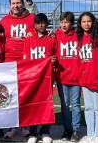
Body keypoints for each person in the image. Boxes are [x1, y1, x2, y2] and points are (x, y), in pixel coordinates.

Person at [0, 0, 34, 138]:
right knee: (10, 96)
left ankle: (26, 125)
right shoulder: (3, 21)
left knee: (25, 96)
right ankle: (11, 126)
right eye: (13, 3)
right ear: (9, 5)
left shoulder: (32, 19)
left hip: (26, 63)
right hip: (8, 64)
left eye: (18, 3)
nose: (16, 6)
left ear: (23, 4)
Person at [23, 13, 56, 143]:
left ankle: (45, 131)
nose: (41, 25)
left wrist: (54, 59)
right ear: (34, 25)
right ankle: (33, 132)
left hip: (47, 78)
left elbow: (55, 55)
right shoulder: (29, 39)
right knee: (33, 105)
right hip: (33, 78)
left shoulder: (51, 39)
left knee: (47, 104)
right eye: (38, 23)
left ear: (47, 24)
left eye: (43, 22)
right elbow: (25, 58)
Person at [77, 12, 98, 143]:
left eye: (89, 21)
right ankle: (90, 132)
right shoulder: (78, 38)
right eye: (83, 21)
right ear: (80, 23)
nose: (86, 24)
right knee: (88, 108)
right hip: (85, 78)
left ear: (93, 22)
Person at [54, 11, 81, 142]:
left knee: (75, 104)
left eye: (67, 22)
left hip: (76, 77)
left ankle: (75, 130)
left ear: (72, 23)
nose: (64, 24)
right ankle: (67, 130)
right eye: (62, 22)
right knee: (64, 105)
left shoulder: (78, 35)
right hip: (61, 77)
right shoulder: (55, 35)